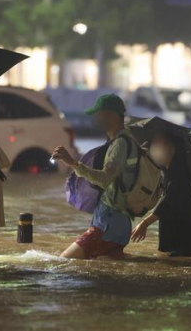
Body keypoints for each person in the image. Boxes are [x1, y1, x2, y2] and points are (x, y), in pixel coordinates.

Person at [53, 94, 137, 259]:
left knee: (64, 262)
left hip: (108, 224)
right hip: (115, 222)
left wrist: (73, 163)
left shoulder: (120, 144)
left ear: (111, 116)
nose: (95, 119)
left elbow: (105, 179)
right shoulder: (122, 141)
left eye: (98, 114)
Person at [130, 132, 191, 257]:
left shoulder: (180, 176)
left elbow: (166, 203)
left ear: (172, 148)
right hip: (183, 242)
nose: (154, 149)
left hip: (185, 244)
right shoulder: (170, 173)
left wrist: (144, 223)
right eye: (154, 144)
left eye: (158, 144)